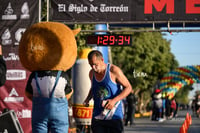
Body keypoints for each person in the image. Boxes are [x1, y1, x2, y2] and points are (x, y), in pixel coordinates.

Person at [83, 50, 132, 133]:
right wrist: (87, 99)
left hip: (114, 115)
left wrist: (113, 101)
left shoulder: (113, 70)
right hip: (98, 116)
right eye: (91, 65)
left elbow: (128, 87)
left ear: (102, 60)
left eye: (95, 64)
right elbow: (94, 88)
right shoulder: (91, 73)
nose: (93, 68)